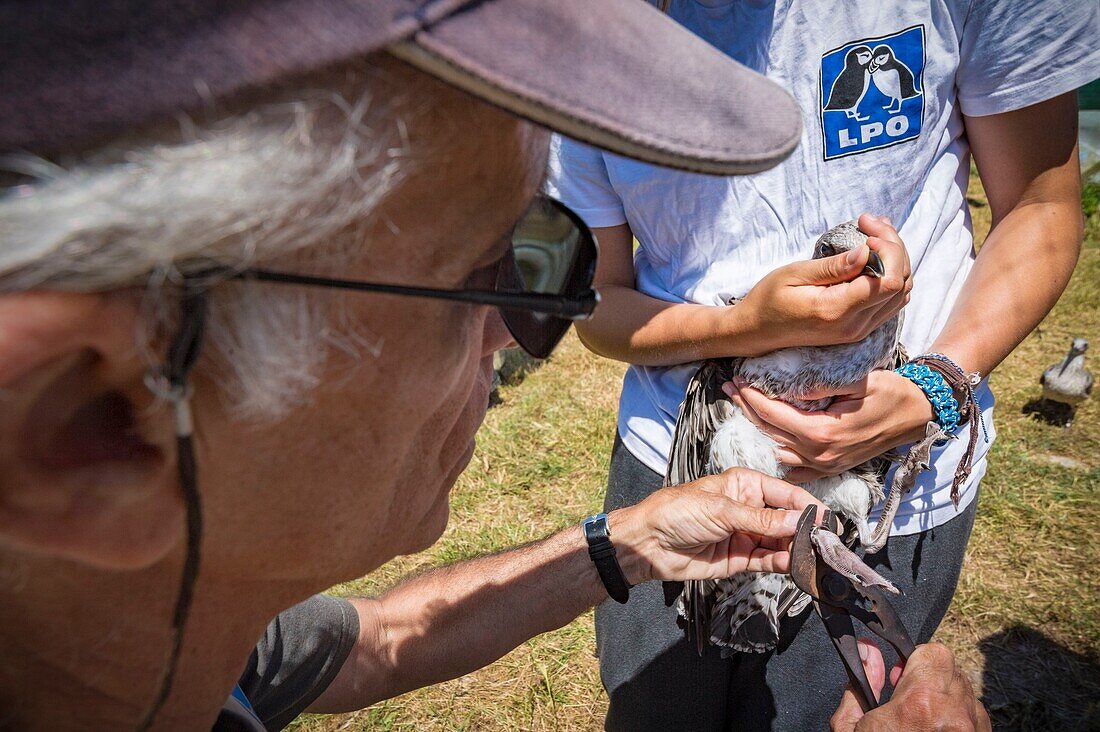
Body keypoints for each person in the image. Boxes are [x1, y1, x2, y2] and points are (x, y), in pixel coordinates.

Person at [0, 1, 989, 729]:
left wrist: (629, 542)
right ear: (90, 419)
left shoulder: (156, 652)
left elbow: (379, 643)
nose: (523, 337)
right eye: (491, 271)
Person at [547, 0, 1096, 729]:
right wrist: (743, 325)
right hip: (672, 467)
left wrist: (929, 389)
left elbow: (1042, 207)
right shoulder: (571, 31)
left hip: (891, 489)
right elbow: (597, 301)